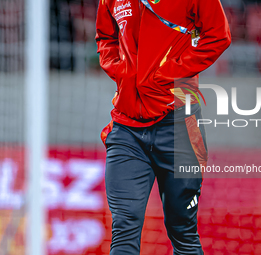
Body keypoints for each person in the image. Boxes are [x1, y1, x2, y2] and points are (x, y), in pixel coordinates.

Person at [95, 0, 231, 254]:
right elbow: (105, 37)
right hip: (126, 129)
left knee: (183, 232)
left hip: (180, 126)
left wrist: (170, 73)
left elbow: (218, 35)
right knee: (123, 229)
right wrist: (122, 71)